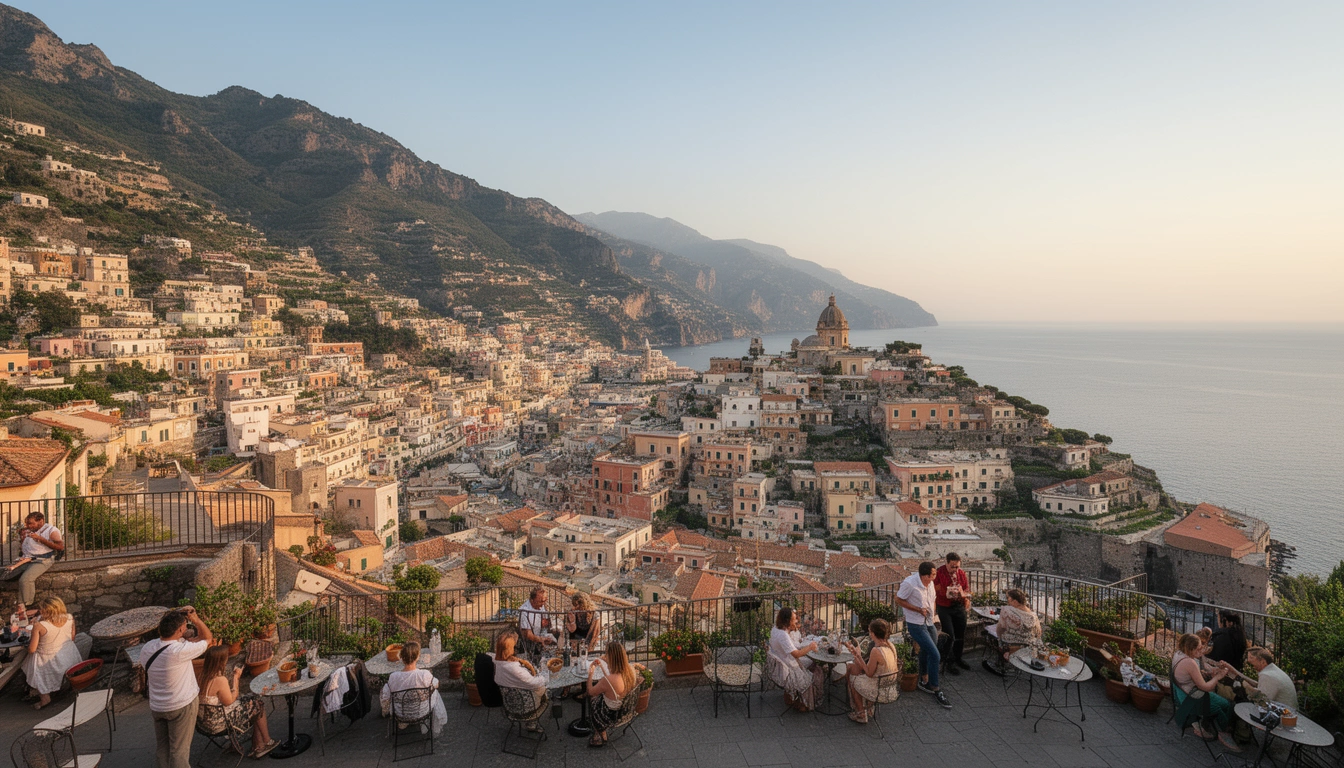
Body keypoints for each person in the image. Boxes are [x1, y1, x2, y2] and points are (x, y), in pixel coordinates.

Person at [144, 607, 212, 768]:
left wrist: (180, 621)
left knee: (163, 749)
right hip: (181, 705)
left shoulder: (148, 647)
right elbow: (208, 639)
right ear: (180, 629)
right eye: (185, 627)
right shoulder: (179, 651)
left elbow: (184, 638)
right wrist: (195, 619)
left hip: (158, 706)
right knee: (179, 752)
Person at [198, 645, 277, 758]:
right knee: (257, 704)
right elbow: (230, 701)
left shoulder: (202, 677)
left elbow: (219, 699)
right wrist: (236, 677)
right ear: (221, 661)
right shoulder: (219, 680)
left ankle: (257, 745)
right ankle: (266, 741)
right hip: (218, 724)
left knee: (250, 700)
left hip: (204, 724)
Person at [1172, 633, 1241, 753]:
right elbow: (1206, 687)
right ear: (1190, 648)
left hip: (1182, 692)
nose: (1201, 651)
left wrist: (1205, 673)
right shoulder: (1190, 663)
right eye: (1198, 648)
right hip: (1193, 699)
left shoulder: (1178, 654)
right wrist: (1217, 677)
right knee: (1225, 706)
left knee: (1224, 704)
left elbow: (1190, 675)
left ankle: (1209, 724)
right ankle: (1224, 732)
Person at [897, 561, 951, 708]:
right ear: (925, 575)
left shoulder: (930, 583)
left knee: (927, 651)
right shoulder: (910, 584)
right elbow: (898, 599)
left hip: (929, 622)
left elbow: (932, 601)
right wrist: (916, 609)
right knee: (935, 654)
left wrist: (934, 617)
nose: (935, 576)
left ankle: (923, 679)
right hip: (915, 623)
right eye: (933, 574)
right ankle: (935, 687)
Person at [22, 596, 81, 709]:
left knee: (27, 662)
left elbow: (32, 649)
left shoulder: (39, 626)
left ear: (45, 610)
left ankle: (44, 698)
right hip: (69, 655)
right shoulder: (69, 618)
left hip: (47, 661)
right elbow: (72, 638)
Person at [379, 640, 447, 736]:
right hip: (421, 711)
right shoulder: (424, 674)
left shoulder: (394, 677)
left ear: (401, 658)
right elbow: (437, 684)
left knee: (388, 690)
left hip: (401, 713)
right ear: (417, 657)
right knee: (434, 691)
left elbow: (385, 696)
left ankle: (403, 722)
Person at [584, 641, 643, 748]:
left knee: (593, 699)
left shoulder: (608, 680)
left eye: (607, 654)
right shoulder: (630, 670)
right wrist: (603, 665)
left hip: (611, 715)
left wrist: (590, 673)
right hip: (626, 710)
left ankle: (601, 733)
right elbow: (612, 685)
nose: (605, 656)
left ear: (611, 658)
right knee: (601, 693)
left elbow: (590, 691)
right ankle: (601, 732)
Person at [767, 606, 824, 712]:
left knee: (810, 664)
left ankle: (791, 697)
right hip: (787, 668)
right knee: (815, 668)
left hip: (781, 663)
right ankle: (803, 702)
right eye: (794, 619)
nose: (797, 621)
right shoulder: (783, 635)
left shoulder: (776, 629)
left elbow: (788, 648)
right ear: (787, 621)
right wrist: (810, 647)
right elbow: (796, 654)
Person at [489, 629, 548, 732]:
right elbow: (533, 683)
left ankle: (532, 723)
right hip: (526, 707)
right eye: (513, 647)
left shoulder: (497, 663)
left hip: (509, 705)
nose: (515, 649)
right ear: (509, 649)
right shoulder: (514, 669)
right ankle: (533, 722)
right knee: (546, 689)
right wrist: (545, 675)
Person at [842, 618, 899, 724]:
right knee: (856, 670)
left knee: (853, 678)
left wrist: (858, 656)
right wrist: (858, 656)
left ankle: (861, 713)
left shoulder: (876, 651)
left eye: (870, 631)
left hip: (879, 689)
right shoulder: (891, 646)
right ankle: (868, 708)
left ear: (873, 633)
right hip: (890, 686)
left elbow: (869, 673)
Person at [3, 512, 64, 610]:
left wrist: (41, 539)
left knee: (26, 579)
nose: (28, 526)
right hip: (28, 559)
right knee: (7, 573)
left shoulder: (52, 531)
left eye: (31, 523)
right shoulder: (30, 531)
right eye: (27, 523)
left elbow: (60, 547)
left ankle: (27, 605)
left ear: (41, 521)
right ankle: (21, 605)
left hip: (43, 560)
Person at [983, 588, 1042, 676]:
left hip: (1009, 646)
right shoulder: (1033, 615)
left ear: (1015, 601)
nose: (1008, 602)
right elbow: (1038, 633)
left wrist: (1000, 637)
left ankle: (1000, 664)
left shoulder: (1007, 610)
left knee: (991, 633)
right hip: (1028, 647)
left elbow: (1000, 630)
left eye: (1008, 599)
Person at [933, 553, 971, 675]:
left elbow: (966, 589)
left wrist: (963, 595)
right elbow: (935, 589)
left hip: (959, 606)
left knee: (961, 634)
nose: (955, 569)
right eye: (953, 566)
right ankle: (949, 662)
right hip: (944, 607)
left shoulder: (961, 573)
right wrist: (948, 591)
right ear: (947, 563)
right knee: (950, 635)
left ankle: (958, 658)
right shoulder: (939, 573)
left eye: (957, 566)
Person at [518, 587, 555, 660]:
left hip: (539, 640)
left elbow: (544, 625)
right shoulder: (524, 611)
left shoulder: (541, 606)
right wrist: (541, 639)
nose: (543, 604)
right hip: (528, 645)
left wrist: (544, 637)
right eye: (541, 601)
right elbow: (528, 634)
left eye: (544, 601)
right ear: (532, 600)